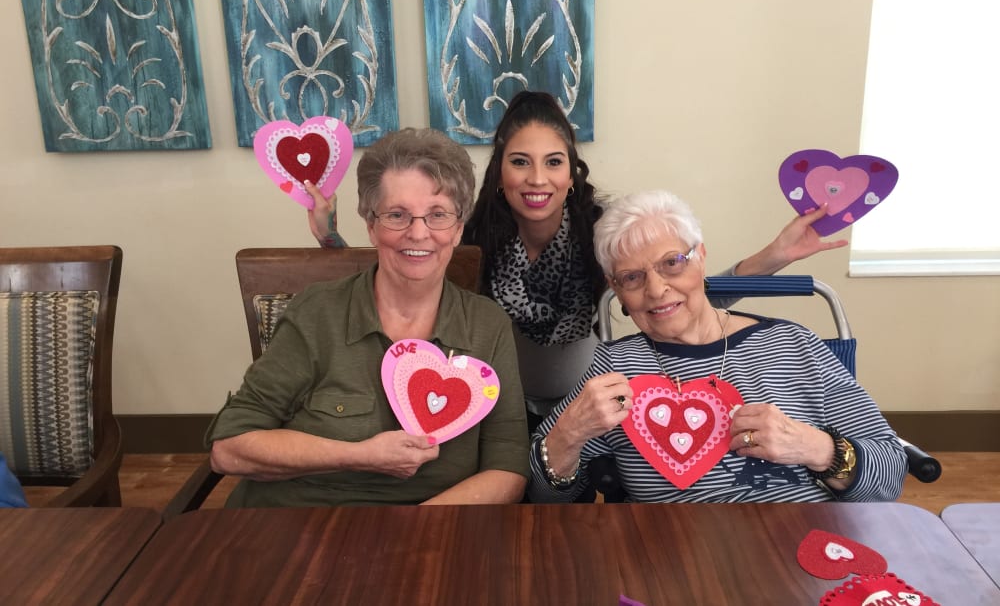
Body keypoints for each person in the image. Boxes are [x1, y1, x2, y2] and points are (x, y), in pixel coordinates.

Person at [308, 92, 847, 430]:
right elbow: (401, 270)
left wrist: (776, 255)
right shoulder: (468, 235)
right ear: (500, 174)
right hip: (497, 410)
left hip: (592, 404)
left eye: (553, 162)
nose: (536, 179)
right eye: (520, 162)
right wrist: (332, 236)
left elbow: (680, 291)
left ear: (571, 173)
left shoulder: (605, 232)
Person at [209, 128, 529, 507]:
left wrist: (411, 533)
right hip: (297, 525)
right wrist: (362, 455)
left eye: (438, 215)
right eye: (397, 215)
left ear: (458, 228)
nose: (419, 233)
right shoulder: (317, 313)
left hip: (429, 533)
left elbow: (508, 467)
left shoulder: (486, 326)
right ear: (371, 225)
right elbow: (228, 449)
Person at [528, 190, 906, 503]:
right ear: (616, 289)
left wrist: (816, 449)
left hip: (806, 560)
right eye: (632, 277)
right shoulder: (615, 369)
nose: (657, 289)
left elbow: (890, 474)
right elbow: (545, 498)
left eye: (672, 263)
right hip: (679, 570)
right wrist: (566, 437)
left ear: (702, 258)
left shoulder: (794, 345)